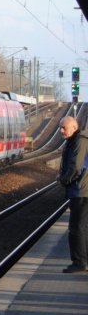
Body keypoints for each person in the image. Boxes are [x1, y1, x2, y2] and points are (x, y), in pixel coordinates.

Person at [58, 115, 88, 273]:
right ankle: (83, 261)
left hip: (81, 190)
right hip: (81, 189)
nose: (61, 130)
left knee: (77, 227)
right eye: (60, 128)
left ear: (74, 127)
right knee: (82, 226)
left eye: (64, 127)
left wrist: (64, 180)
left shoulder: (79, 141)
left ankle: (80, 263)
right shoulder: (75, 141)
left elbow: (76, 166)